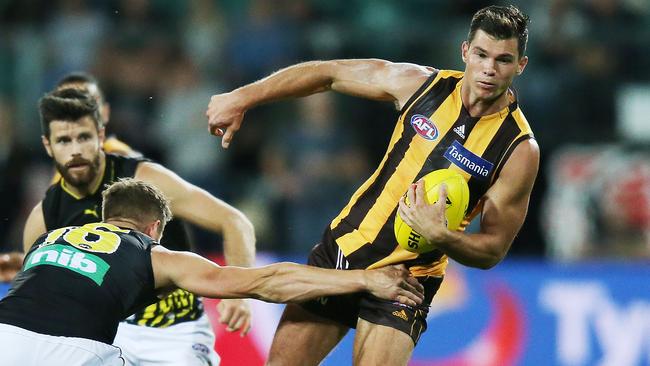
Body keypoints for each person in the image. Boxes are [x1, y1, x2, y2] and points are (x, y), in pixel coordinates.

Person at [205, 5, 540, 365]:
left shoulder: (518, 149)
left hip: (408, 281)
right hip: (346, 250)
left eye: (503, 60)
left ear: (521, 65)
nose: (489, 69)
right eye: (481, 55)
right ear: (465, 52)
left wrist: (441, 236)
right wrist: (242, 97)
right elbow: (329, 74)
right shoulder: (420, 85)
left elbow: (493, 250)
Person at [0, 178, 424, 366]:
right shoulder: (153, 253)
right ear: (155, 228)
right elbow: (267, 283)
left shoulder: (48, 240)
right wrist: (365, 278)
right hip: (75, 354)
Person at [23, 87, 255, 365]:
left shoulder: (146, 178)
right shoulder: (45, 216)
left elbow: (234, 221)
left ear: (99, 136)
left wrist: (238, 296)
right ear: (48, 145)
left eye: (83, 137)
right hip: (103, 335)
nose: (75, 151)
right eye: (63, 141)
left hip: (174, 331)